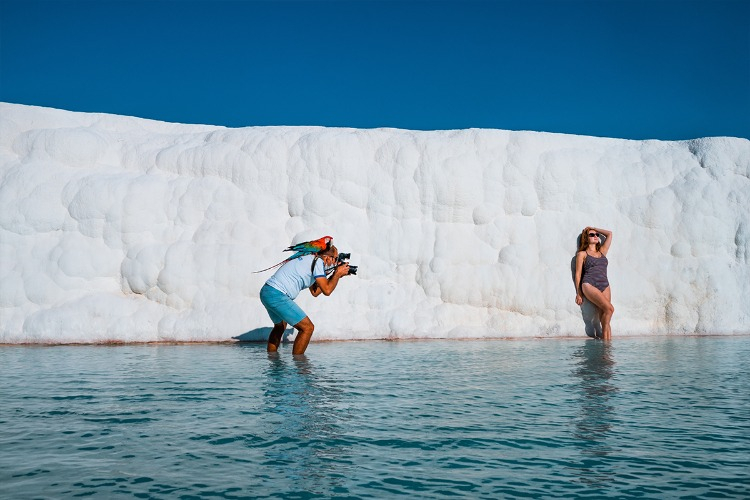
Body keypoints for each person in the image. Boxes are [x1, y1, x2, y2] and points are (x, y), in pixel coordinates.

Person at [260, 243, 349, 355]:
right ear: (327, 257)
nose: (336, 262)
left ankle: (272, 362)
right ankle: (299, 367)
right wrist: (337, 274)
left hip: (267, 291)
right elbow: (327, 290)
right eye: (335, 258)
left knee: (280, 326)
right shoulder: (318, 262)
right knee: (307, 328)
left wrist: (335, 275)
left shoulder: (311, 260)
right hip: (277, 294)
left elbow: (315, 292)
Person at [574, 227, 614, 340]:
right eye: (592, 235)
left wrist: (594, 228)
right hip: (589, 283)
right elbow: (578, 274)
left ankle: (606, 349)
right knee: (610, 309)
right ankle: (606, 347)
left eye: (596, 234)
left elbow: (609, 234)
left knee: (605, 316)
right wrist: (579, 293)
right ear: (586, 238)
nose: (596, 236)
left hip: (604, 284)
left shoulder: (602, 251)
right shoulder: (582, 254)